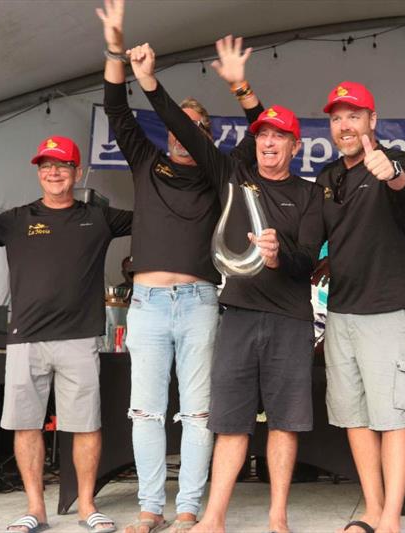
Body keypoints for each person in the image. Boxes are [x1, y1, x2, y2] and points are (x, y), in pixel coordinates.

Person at [127, 38, 323, 533]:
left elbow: (312, 263)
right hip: (235, 315)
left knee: (284, 423)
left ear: (295, 146)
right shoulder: (230, 174)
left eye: (280, 138)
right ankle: (211, 517)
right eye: (263, 137)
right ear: (254, 143)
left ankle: (277, 516)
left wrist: (283, 256)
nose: (269, 143)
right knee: (228, 421)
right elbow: (182, 129)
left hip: (290, 320)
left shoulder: (309, 194)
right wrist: (150, 83)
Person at [98, 2, 261, 531]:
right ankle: (150, 509)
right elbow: (117, 111)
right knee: (144, 412)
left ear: (204, 134)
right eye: (176, 128)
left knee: (196, 413)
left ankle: (189, 508)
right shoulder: (147, 162)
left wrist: (158, 82)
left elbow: (260, 134)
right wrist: (115, 49)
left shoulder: (219, 170)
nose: (180, 134)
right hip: (145, 303)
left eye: (193, 128)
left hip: (197, 303)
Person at [0, 138, 131, 533]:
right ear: (38, 172)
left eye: (62, 165)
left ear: (77, 170)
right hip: (26, 339)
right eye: (46, 166)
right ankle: (36, 508)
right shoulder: (18, 218)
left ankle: (87, 506)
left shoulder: (99, 218)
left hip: (80, 338)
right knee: (26, 425)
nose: (54, 173)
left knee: (86, 425)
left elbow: (154, 218)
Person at [317, 81, 405, 533]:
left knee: (393, 416)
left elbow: (403, 183)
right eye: (337, 117)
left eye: (354, 116)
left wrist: (389, 170)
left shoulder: (395, 161)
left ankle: (392, 518)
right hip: (341, 311)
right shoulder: (327, 177)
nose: (345, 125)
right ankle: (373, 509)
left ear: (372, 121)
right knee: (354, 416)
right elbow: (326, 235)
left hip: (387, 307)